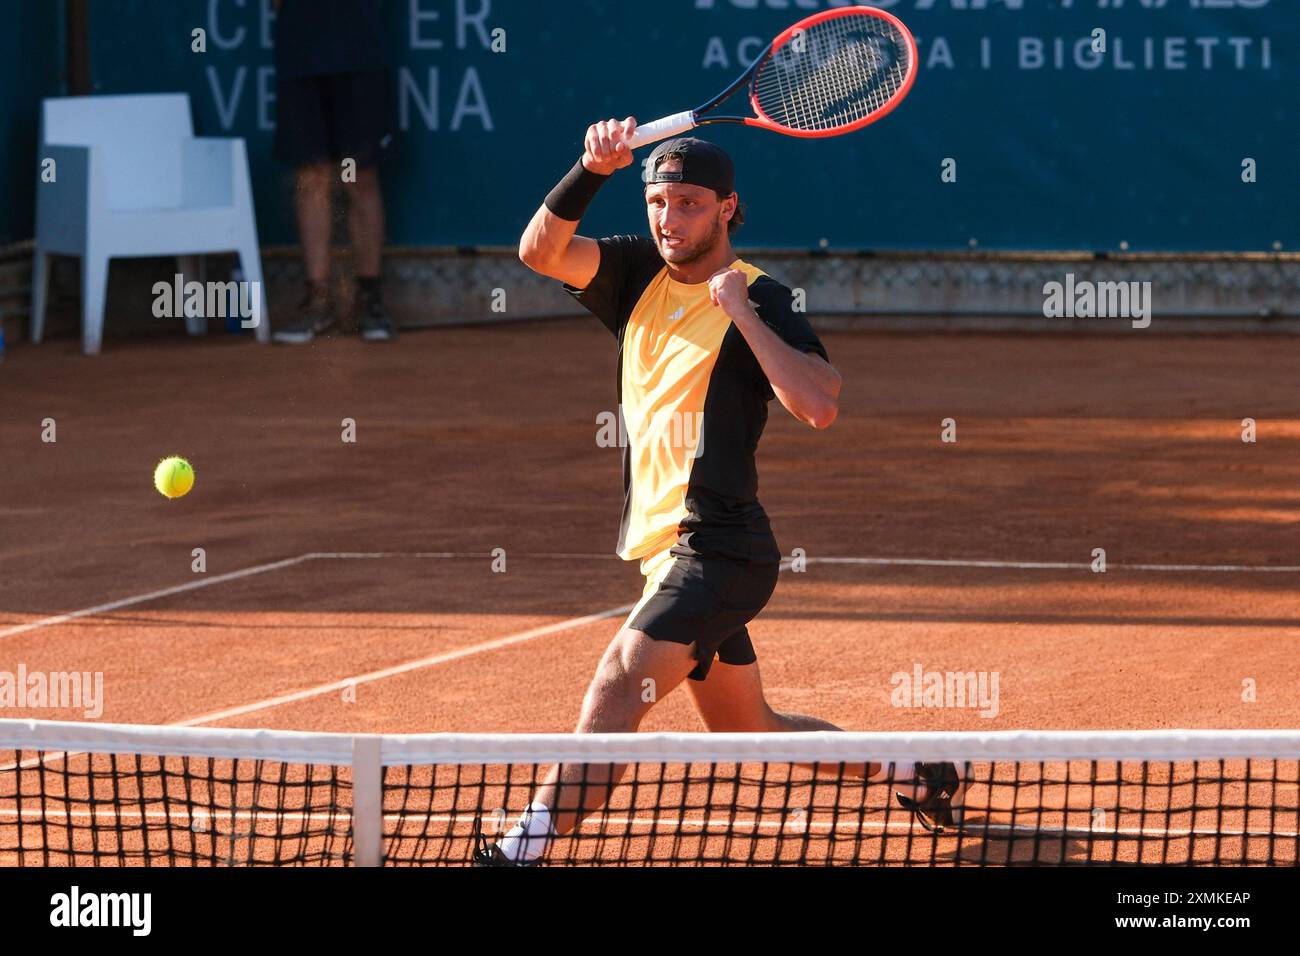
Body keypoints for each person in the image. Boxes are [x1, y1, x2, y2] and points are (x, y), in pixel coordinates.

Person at [475, 118, 961, 866]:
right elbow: (539, 251)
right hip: (666, 554)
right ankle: (914, 772)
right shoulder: (634, 273)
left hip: (720, 548)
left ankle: (516, 850)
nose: (671, 220)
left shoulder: (762, 297)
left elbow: (820, 404)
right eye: (659, 202)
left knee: (616, 685)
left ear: (728, 209)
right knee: (752, 732)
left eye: (691, 203)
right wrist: (591, 168)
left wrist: (739, 313)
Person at [271, 0, 396, 343]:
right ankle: (318, 301)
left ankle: (369, 300)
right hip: (301, 54)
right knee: (311, 175)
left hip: (361, 53)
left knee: (361, 176)